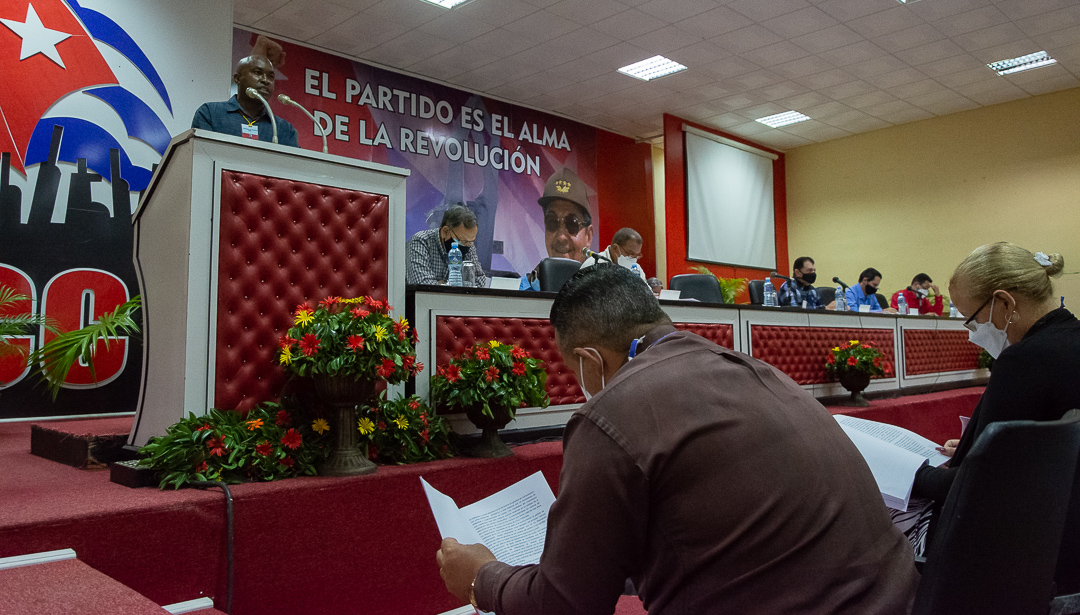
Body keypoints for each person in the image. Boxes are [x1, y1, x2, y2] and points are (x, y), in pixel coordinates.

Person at [436, 264, 918, 614]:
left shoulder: (612, 412)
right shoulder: (753, 368)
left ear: (589, 360)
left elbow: (565, 606)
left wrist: (482, 577)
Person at [906, 243, 1078, 551]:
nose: (971, 332)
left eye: (971, 319)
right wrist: (979, 445)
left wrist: (907, 471)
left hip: (1018, 545)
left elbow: (973, 486)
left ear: (1003, 303)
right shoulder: (1070, 339)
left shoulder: (1024, 361)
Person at [191, 55, 299, 147]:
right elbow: (202, 157)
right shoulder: (211, 114)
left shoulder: (284, 128)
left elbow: (295, 168)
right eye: (257, 73)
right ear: (237, 79)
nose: (265, 80)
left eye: (270, 76)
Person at [520, 168, 595, 291]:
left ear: (589, 236)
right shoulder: (518, 294)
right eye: (552, 222)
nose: (561, 236)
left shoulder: (603, 295)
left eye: (572, 224)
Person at [405, 205, 488, 287]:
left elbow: (479, 280)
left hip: (457, 300)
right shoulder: (420, 242)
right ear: (445, 231)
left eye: (470, 242)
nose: (467, 246)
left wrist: (441, 284)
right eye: (463, 241)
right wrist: (455, 286)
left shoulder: (468, 244)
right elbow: (422, 286)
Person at [580, 227, 647, 282]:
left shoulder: (636, 269)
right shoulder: (593, 265)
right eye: (630, 253)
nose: (633, 259)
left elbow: (647, 294)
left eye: (637, 255)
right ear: (615, 248)